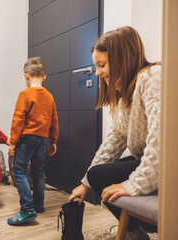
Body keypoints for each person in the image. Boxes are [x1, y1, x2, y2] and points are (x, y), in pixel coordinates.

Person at [68, 26, 161, 240]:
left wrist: (135, 184)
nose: (98, 72)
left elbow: (161, 142)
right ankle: (135, 232)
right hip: (155, 160)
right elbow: (113, 142)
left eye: (102, 65)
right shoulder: (124, 94)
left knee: (101, 175)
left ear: (122, 59)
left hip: (170, 163)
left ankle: (137, 233)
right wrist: (85, 184)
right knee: (97, 173)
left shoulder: (153, 77)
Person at [7, 57, 59, 225]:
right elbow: (54, 120)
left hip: (27, 138)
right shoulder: (50, 97)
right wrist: (53, 141)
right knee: (37, 171)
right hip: (43, 140)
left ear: (26, 76)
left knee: (19, 171)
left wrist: (13, 142)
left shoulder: (24, 94)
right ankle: (39, 205)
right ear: (44, 77)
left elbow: (18, 119)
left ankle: (27, 209)